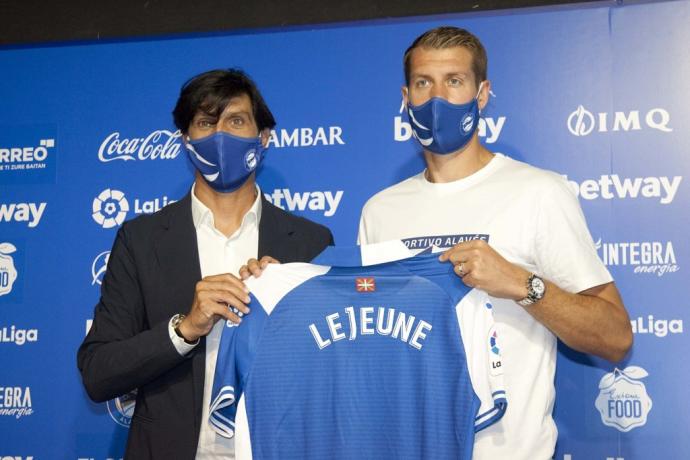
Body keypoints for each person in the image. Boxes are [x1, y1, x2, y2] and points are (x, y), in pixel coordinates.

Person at [356, 27, 633, 459]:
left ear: (482, 94)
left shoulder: (538, 192)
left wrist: (522, 284)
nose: (437, 99)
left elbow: (615, 336)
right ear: (405, 96)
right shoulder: (380, 210)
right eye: (423, 83)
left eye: (455, 81)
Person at [77, 69, 333, 459]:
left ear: (264, 138)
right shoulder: (141, 239)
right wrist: (185, 329)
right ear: (186, 140)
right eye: (205, 123)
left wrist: (285, 311)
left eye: (236, 121)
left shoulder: (311, 243)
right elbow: (98, 372)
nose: (220, 136)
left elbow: (332, 371)